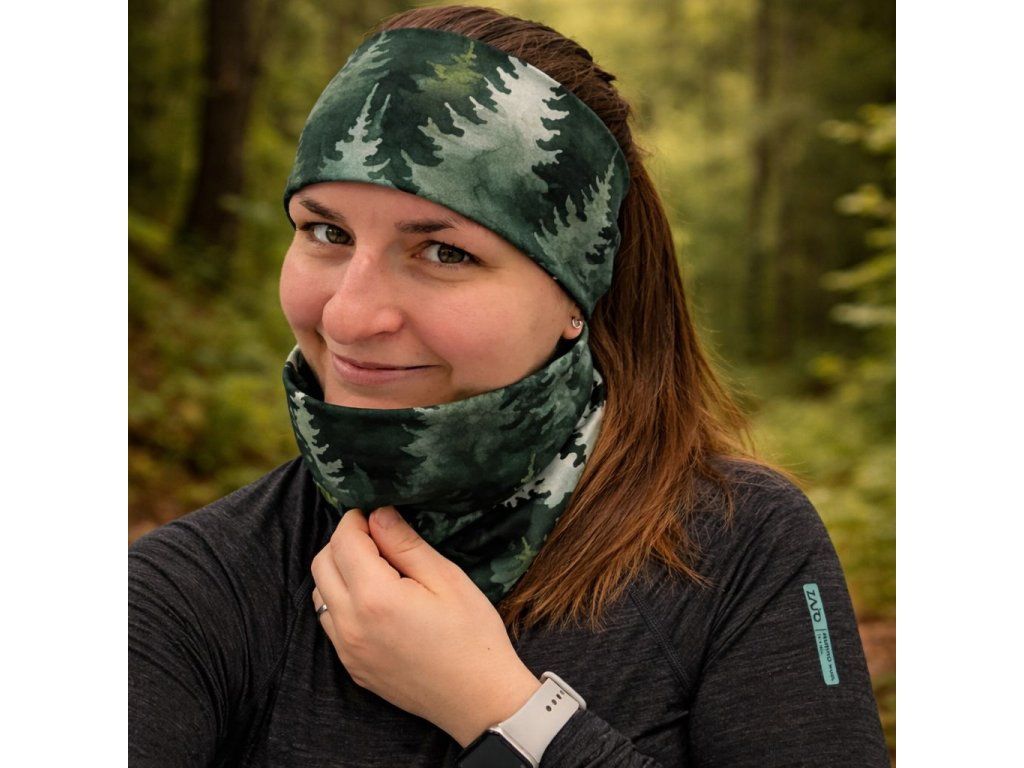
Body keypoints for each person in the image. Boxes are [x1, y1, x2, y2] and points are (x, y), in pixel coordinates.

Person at [129, 5, 889, 767]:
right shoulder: (185, 593)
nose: (349, 316)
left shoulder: (742, 545)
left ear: (575, 292)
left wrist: (506, 713)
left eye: (444, 253)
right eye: (327, 233)